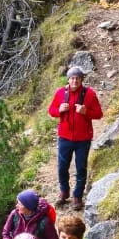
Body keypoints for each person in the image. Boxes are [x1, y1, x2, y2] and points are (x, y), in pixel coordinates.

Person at [48, 66, 102, 211]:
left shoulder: (89, 94)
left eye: (77, 78)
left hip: (83, 138)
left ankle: (77, 196)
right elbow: (51, 111)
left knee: (81, 167)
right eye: (72, 78)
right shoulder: (60, 93)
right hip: (65, 137)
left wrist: (86, 112)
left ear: (82, 79)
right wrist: (59, 110)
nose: (74, 81)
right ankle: (64, 192)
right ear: (68, 79)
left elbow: (98, 114)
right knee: (62, 167)